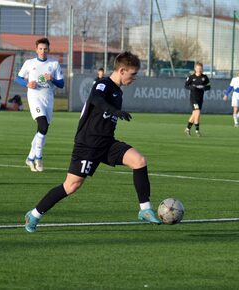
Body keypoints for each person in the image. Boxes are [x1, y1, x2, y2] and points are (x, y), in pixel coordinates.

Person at [24, 51, 162, 233]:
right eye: (132, 74)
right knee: (71, 186)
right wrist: (113, 111)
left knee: (139, 161)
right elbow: (96, 99)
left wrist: (113, 111)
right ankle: (34, 214)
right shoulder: (103, 84)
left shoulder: (117, 92)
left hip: (107, 143)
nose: (134, 78)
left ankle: (144, 209)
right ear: (122, 70)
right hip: (87, 144)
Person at [16, 37, 64, 172]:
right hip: (34, 97)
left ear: (49, 49)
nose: (42, 51)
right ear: (36, 49)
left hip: (48, 99)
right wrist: (27, 83)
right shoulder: (29, 63)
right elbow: (18, 78)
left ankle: (30, 158)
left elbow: (61, 84)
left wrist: (52, 79)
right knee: (42, 124)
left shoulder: (54, 64)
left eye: (45, 49)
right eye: (40, 49)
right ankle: (39, 157)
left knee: (42, 130)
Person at [184, 62, 210, 137]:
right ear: (195, 69)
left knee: (194, 114)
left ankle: (188, 129)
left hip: (200, 98)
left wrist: (206, 88)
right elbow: (186, 85)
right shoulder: (191, 77)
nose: (199, 70)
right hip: (193, 98)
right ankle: (197, 130)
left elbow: (209, 86)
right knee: (197, 112)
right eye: (198, 68)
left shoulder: (204, 77)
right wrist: (191, 87)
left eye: (200, 68)